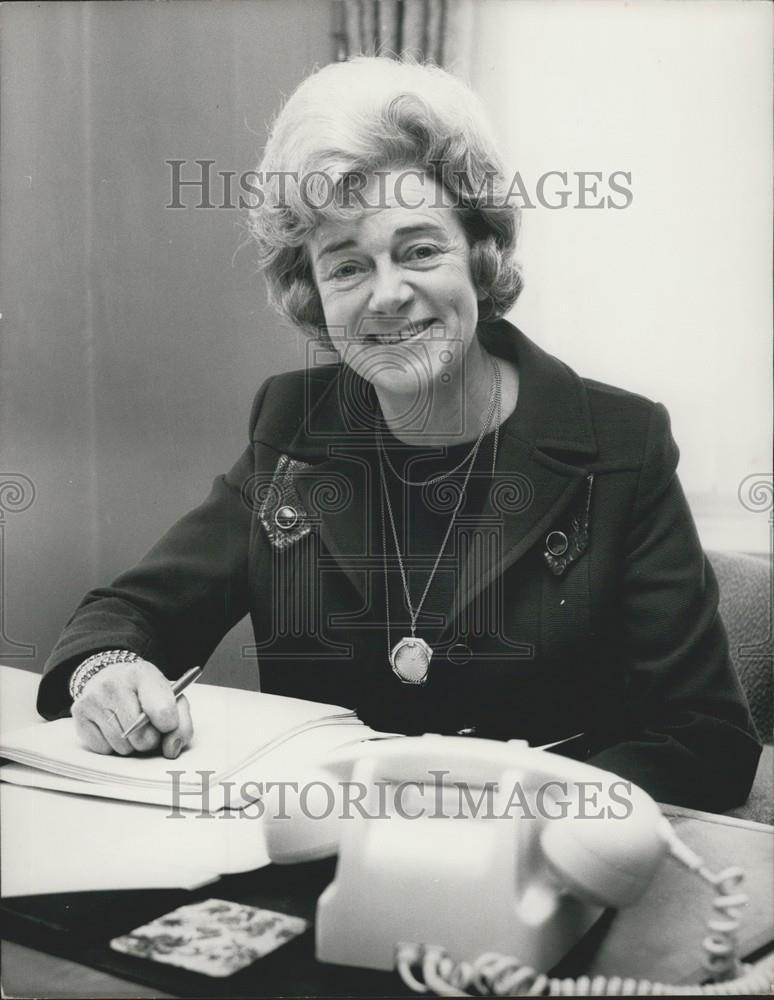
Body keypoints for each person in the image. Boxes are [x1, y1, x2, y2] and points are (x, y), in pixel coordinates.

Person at [38, 57, 760, 811]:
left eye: (419, 250)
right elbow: (132, 614)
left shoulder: (620, 442)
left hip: (545, 872)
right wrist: (108, 673)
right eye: (346, 266)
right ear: (312, 295)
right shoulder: (293, 428)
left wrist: (524, 820)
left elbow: (705, 735)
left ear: (480, 258)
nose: (388, 295)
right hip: (332, 857)